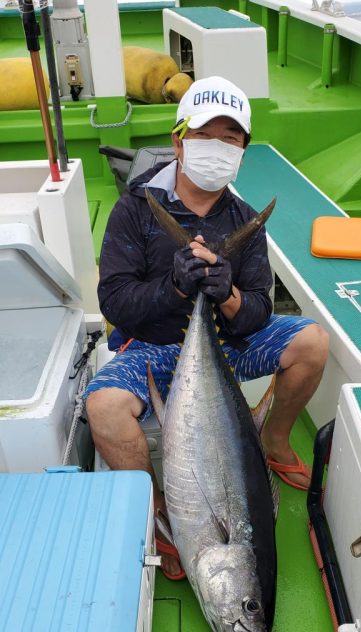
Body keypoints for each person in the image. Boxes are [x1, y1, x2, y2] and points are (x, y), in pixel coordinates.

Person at [85, 75, 329, 579]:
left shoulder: (243, 219)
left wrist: (229, 294)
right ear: (179, 140)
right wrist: (174, 288)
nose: (218, 148)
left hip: (226, 345)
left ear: (243, 150)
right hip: (152, 347)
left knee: (312, 341)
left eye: (231, 140)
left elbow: (260, 307)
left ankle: (275, 442)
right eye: (206, 136)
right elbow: (114, 301)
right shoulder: (136, 210)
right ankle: (158, 513)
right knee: (103, 407)